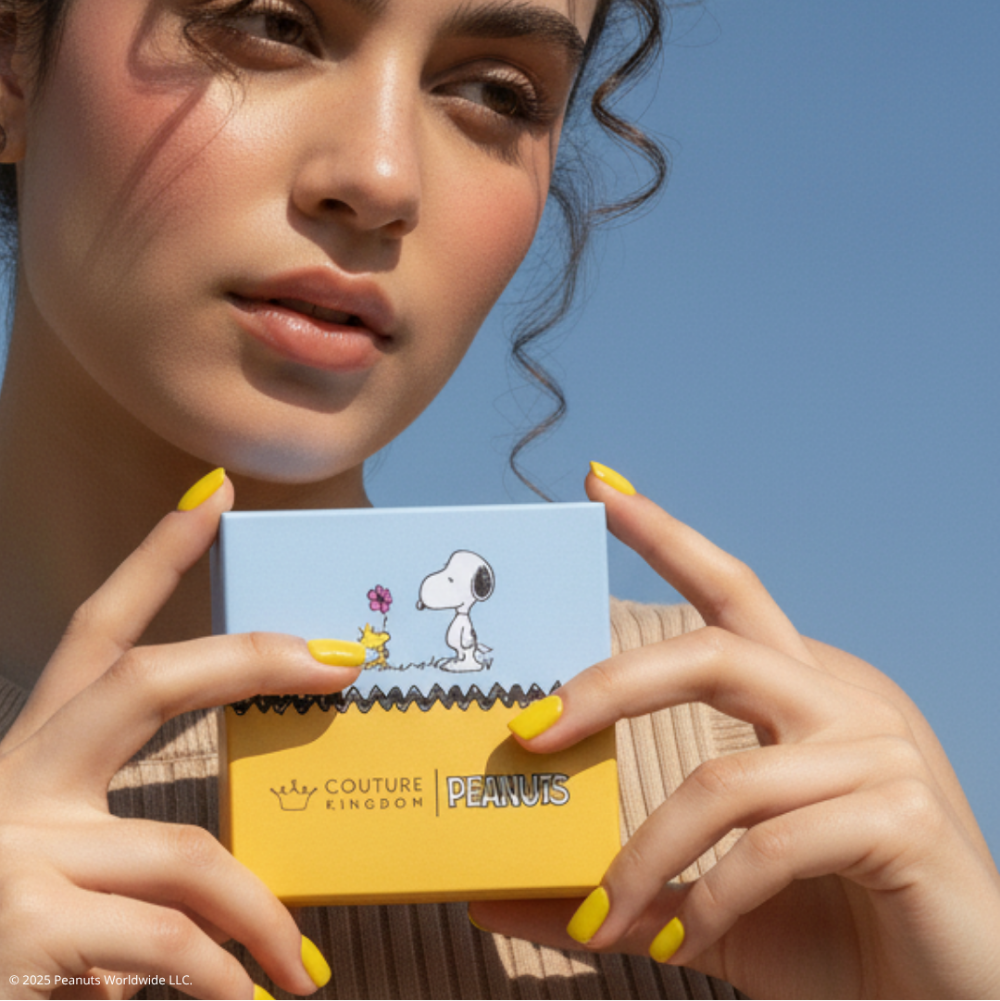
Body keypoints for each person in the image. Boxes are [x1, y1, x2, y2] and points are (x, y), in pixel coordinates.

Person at [0, 2, 997, 1000]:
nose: (382, 179)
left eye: (491, 94)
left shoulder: (765, 774)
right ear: (12, 57)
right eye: (273, 25)